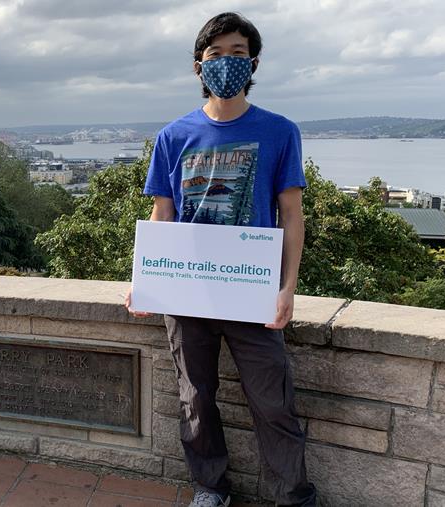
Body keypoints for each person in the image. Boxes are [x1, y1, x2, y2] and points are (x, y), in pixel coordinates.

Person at [125, 12, 318, 507]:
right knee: (195, 400)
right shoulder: (173, 136)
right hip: (187, 292)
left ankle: (294, 495)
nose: (226, 63)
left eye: (237, 53)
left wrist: (287, 289)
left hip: (252, 292)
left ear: (253, 62)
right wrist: (144, 279)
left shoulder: (279, 131)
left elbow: (291, 215)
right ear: (198, 66)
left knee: (273, 402)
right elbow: (162, 212)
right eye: (215, 54)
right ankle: (211, 487)